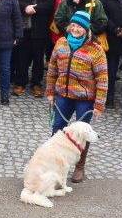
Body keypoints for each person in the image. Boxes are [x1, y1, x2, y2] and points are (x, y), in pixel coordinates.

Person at [45, 10, 108, 183]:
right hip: (63, 95)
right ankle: (54, 162)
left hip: (85, 99)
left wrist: (99, 105)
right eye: (73, 25)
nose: (75, 28)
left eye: (79, 26)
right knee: (57, 128)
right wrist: (50, 92)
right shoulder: (61, 43)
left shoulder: (96, 50)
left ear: (86, 29)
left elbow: (102, 78)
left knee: (83, 133)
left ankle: (80, 166)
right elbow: (52, 70)